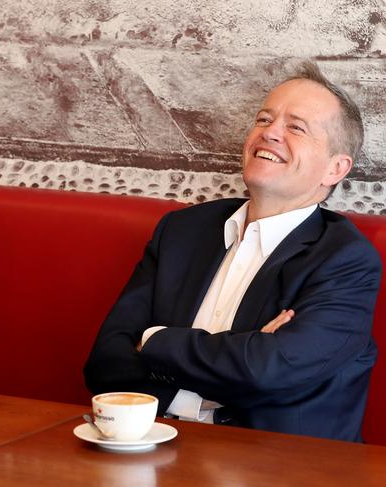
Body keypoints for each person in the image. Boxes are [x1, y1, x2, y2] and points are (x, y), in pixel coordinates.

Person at [84, 61, 382, 442]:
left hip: (277, 465)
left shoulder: (345, 260)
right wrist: (241, 357)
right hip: (152, 443)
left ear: (334, 169)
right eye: (263, 119)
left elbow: (271, 369)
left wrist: (155, 340)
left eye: (295, 127)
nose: (270, 133)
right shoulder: (182, 230)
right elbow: (105, 364)